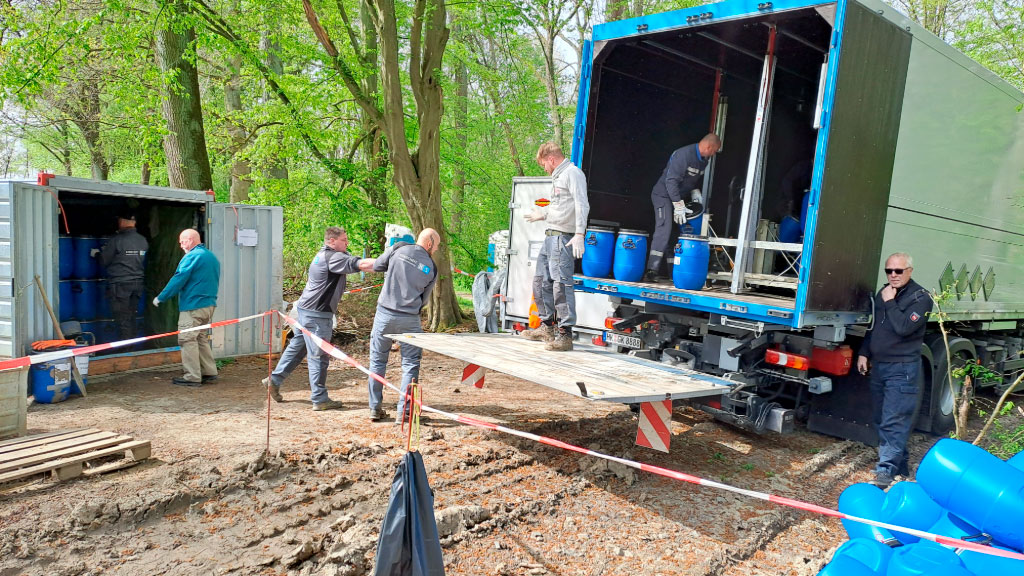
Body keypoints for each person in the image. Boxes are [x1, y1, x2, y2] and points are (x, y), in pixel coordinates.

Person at [262, 227, 375, 411]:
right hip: (317, 314)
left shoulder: (323, 255)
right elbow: (361, 264)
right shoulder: (333, 257)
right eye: (344, 240)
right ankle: (320, 399)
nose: (347, 243)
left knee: (298, 348)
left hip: (307, 310)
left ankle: (274, 380)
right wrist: (387, 262)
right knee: (319, 355)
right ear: (331, 241)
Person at [856, 253, 933, 488]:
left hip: (903, 369)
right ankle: (901, 466)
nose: (893, 275)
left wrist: (890, 302)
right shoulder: (884, 293)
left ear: (909, 271)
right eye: (889, 271)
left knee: (894, 420)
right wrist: (864, 352)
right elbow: (875, 328)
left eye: (898, 271)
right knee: (882, 418)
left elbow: (903, 328)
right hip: (879, 366)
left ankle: (885, 472)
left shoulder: (921, 298)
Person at [520, 142, 590, 351]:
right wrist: (543, 213)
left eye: (544, 165)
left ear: (551, 159)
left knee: (561, 285)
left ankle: (565, 335)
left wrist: (579, 233)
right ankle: (546, 326)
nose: (545, 169)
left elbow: (581, 204)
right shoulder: (558, 177)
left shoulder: (572, 173)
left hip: (563, 237)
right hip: (550, 236)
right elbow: (561, 205)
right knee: (541, 281)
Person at [366, 228, 440, 423]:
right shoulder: (432, 267)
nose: (436, 250)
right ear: (430, 244)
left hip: (384, 314)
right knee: (410, 364)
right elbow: (424, 300)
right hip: (409, 319)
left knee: (377, 361)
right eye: (437, 246)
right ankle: (404, 413)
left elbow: (379, 265)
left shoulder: (398, 248)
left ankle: (375, 408)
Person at [645, 133, 722, 282]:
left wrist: (694, 191)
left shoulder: (703, 161)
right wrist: (678, 205)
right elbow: (671, 182)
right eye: (714, 150)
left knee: (675, 233)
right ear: (708, 146)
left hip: (678, 197)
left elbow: (691, 181)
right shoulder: (683, 155)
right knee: (664, 228)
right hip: (663, 195)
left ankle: (671, 271)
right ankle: (652, 270)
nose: (714, 154)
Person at [153, 229, 221, 387]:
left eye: (182, 241)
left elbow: (179, 278)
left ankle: (192, 376)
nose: (180, 244)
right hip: (209, 305)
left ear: (190, 240)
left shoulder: (192, 256)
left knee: (187, 339)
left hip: (193, 306)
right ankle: (209, 371)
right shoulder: (211, 257)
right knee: (200, 338)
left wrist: (161, 297)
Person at [96, 209, 148, 342]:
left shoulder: (116, 240)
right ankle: (133, 347)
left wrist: (96, 254)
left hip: (121, 285)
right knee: (132, 316)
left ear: (122, 221)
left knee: (123, 319)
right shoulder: (143, 240)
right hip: (137, 283)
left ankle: (126, 350)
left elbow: (104, 261)